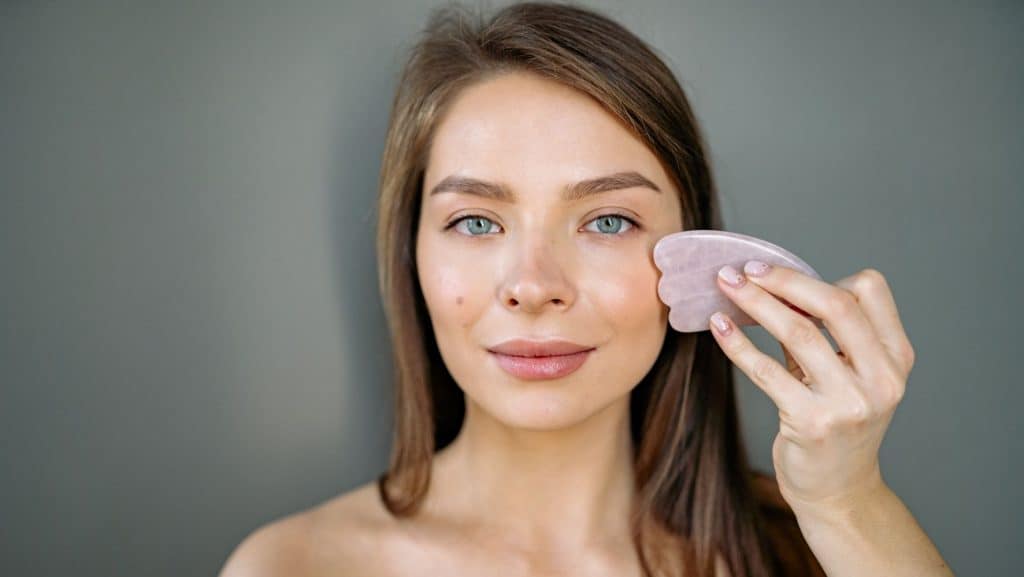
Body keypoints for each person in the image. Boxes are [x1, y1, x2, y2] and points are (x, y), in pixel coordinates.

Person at [219, 2, 954, 576]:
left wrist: (847, 503)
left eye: (607, 220)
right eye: (475, 221)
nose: (534, 286)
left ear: (697, 259)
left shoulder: (816, 552)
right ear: (410, 252)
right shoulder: (292, 565)